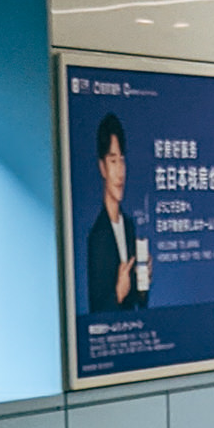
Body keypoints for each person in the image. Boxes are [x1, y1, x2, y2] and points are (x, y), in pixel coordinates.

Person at [85, 111, 148, 315]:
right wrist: (118, 294)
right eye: (113, 161)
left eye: (122, 160)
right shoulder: (97, 236)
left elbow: (138, 302)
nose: (120, 172)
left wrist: (143, 281)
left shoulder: (129, 226)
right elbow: (95, 311)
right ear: (102, 167)